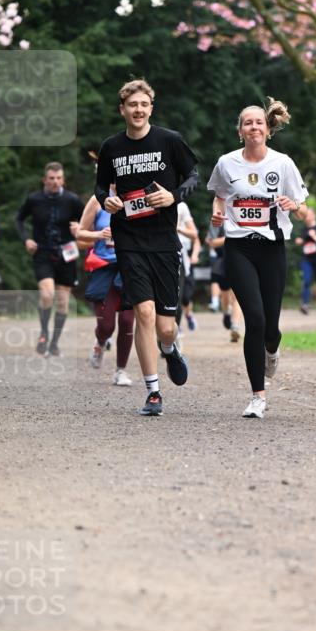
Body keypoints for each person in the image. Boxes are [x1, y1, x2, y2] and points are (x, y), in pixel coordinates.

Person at [94, 78, 199, 417]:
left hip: (164, 241)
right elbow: (100, 187)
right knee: (143, 313)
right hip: (128, 239)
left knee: (165, 327)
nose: (138, 110)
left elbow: (193, 175)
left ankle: (170, 349)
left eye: (144, 104)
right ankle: (153, 391)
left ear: (151, 108)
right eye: (132, 105)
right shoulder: (111, 147)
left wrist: (173, 196)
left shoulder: (170, 141)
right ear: (122, 109)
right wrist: (106, 201)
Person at [208, 97, 308, 419]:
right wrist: (217, 215)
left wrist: (293, 207)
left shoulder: (283, 164)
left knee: (271, 327)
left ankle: (272, 350)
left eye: (259, 122)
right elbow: (219, 197)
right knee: (254, 317)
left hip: (272, 248)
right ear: (240, 131)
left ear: (267, 129)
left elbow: (305, 209)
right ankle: (257, 397)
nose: (253, 127)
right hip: (238, 247)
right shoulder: (226, 163)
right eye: (247, 123)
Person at [16, 162, 84, 356]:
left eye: (58, 178)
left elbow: (88, 220)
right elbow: (19, 219)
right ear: (44, 180)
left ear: (63, 180)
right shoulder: (34, 199)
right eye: (51, 178)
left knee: (62, 302)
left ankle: (54, 342)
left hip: (66, 253)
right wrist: (26, 239)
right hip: (43, 253)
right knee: (47, 294)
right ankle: (44, 334)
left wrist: (79, 229)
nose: (55, 182)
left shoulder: (72, 200)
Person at [76, 193, 135, 386]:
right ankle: (100, 343)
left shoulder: (137, 196)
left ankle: (121, 371)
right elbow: (80, 233)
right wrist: (99, 235)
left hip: (129, 267)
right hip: (104, 267)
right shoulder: (97, 199)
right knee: (107, 325)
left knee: (127, 321)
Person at [205, 218, 242, 342]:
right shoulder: (218, 219)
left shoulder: (242, 214)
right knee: (225, 296)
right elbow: (211, 242)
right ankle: (226, 313)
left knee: (238, 296)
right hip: (223, 261)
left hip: (241, 261)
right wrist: (232, 236)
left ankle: (235, 327)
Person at [176, 200, 199, 334]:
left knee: (184, 297)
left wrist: (195, 255)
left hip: (185, 259)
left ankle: (185, 319)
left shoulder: (182, 208)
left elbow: (196, 238)